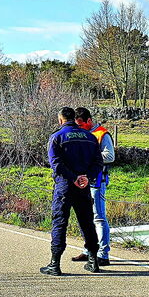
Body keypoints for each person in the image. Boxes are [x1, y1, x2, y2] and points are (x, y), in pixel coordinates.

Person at [41, 107, 104, 276]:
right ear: (75, 119)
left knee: (59, 222)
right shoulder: (90, 137)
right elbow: (99, 163)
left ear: (61, 119)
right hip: (84, 186)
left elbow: (56, 164)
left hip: (65, 186)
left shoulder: (56, 137)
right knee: (87, 222)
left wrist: (73, 177)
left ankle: (55, 264)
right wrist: (85, 177)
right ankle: (93, 261)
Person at [72, 107, 114, 267]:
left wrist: (88, 156)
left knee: (99, 217)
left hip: (97, 180)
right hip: (83, 180)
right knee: (85, 217)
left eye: (81, 125)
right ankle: (89, 250)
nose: (79, 128)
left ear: (89, 121)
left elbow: (110, 156)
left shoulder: (102, 134)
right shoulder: (82, 133)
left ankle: (103, 254)